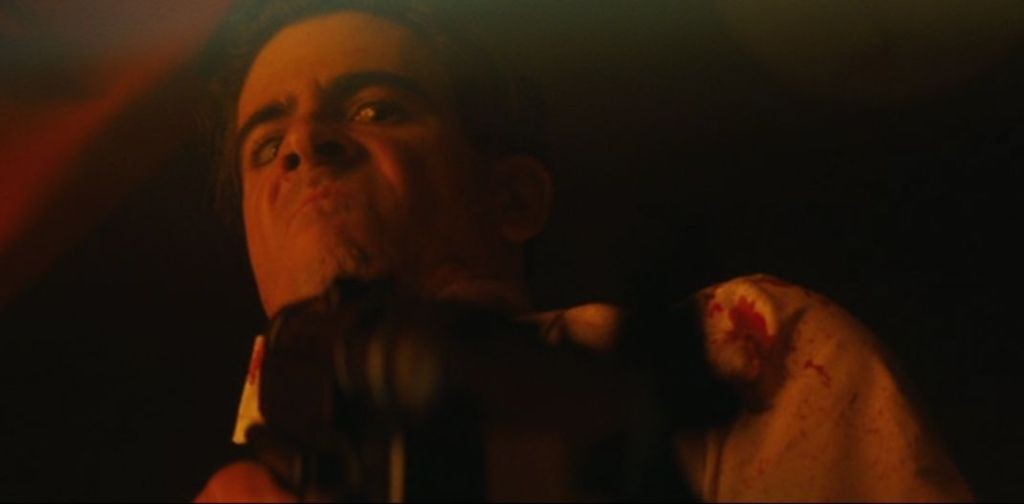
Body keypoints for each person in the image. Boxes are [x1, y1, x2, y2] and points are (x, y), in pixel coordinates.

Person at [195, 1, 973, 501]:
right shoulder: (243, 487)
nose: (303, 143)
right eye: (265, 143)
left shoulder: (747, 351)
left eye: (374, 108)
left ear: (513, 199)